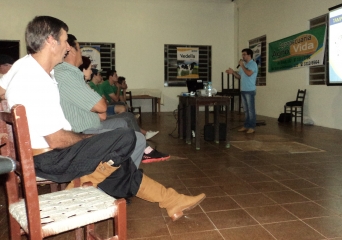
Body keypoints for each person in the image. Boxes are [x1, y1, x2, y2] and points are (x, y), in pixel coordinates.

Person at [0, 16, 205, 221]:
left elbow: (1, 90)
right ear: (50, 42)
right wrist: (89, 140)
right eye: (64, 41)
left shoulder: (24, 65)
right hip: (50, 158)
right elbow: (58, 140)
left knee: (115, 162)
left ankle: (171, 200)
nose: (67, 47)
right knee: (125, 137)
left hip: (44, 152)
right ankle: (80, 189)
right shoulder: (35, 81)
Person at [55, 33, 168, 164]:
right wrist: (100, 104)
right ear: (71, 50)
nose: (81, 52)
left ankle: (130, 167)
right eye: (79, 48)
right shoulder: (67, 75)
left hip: (91, 122)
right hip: (84, 129)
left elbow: (103, 104)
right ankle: (125, 172)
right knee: (136, 137)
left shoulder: (71, 74)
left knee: (124, 121)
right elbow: (102, 107)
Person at [226, 48, 258, 133]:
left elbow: (249, 73)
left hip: (250, 90)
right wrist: (233, 72)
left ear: (249, 55)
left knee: (251, 110)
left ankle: (252, 127)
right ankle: (246, 125)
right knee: (246, 110)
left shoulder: (253, 64)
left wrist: (242, 65)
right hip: (243, 90)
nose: (242, 56)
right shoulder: (243, 65)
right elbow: (239, 76)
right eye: (242, 54)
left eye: (244, 54)